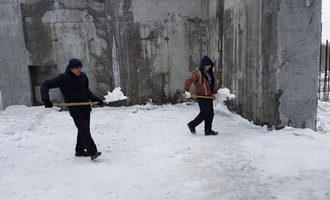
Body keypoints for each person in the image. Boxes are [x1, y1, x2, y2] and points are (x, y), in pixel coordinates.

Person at [40, 58, 103, 160]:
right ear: (71, 68)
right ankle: (93, 152)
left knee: (83, 129)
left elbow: (86, 91)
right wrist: (46, 99)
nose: (79, 70)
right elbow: (45, 84)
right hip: (75, 109)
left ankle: (80, 151)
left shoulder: (83, 76)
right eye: (76, 68)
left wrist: (96, 100)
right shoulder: (63, 78)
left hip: (85, 108)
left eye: (80, 68)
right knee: (84, 129)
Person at [184, 55, 218, 136]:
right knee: (204, 113)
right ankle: (192, 125)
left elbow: (212, 84)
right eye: (208, 65)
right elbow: (189, 80)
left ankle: (208, 130)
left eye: (210, 65)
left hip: (209, 96)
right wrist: (186, 90)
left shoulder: (209, 73)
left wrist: (216, 92)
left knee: (210, 114)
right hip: (202, 97)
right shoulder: (197, 73)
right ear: (203, 65)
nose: (209, 66)